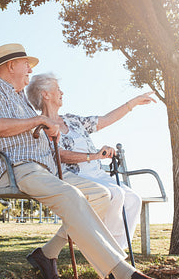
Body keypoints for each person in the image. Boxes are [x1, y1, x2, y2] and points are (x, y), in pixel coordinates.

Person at [0, 43, 175, 279]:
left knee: (100, 195)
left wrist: (50, 134)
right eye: (26, 64)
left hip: (44, 169)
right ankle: (123, 272)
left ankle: (46, 255)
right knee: (72, 195)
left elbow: (40, 131)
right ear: (11, 65)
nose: (30, 69)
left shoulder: (22, 100)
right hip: (17, 167)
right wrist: (40, 120)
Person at [26, 72, 153, 251]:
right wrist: (94, 155)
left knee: (133, 198)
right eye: (57, 89)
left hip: (97, 173)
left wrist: (133, 103)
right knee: (115, 195)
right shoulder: (41, 125)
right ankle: (107, 252)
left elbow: (106, 119)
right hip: (74, 176)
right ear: (45, 94)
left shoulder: (73, 120)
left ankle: (118, 251)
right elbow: (58, 155)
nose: (62, 92)